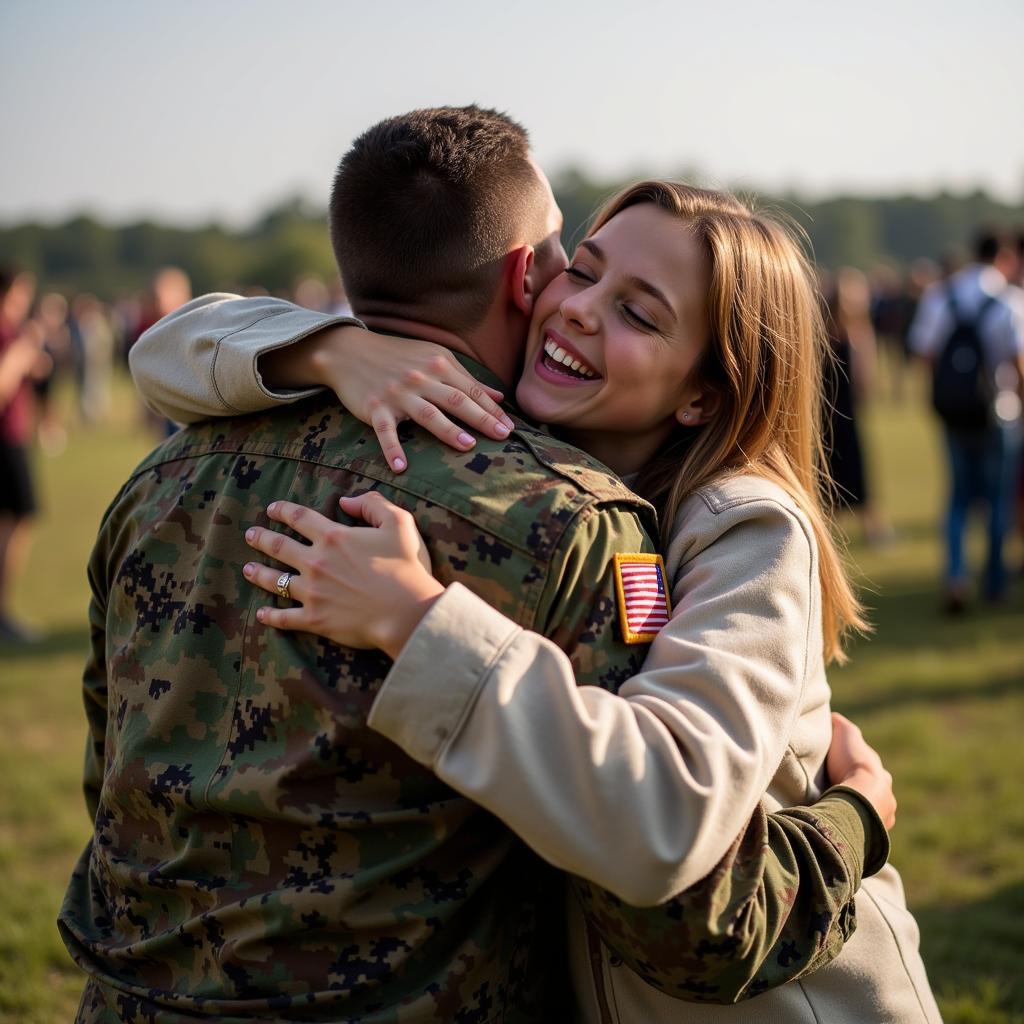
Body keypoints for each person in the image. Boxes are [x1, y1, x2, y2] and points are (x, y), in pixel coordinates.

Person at [63, 108, 891, 1024]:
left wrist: (854, 816)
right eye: (584, 268)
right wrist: (332, 346)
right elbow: (170, 346)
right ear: (527, 274)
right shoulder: (567, 515)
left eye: (638, 311)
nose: (577, 304)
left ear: (706, 390)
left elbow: (673, 837)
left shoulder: (735, 528)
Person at [908, 228, 1024, 612]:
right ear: (1003, 256)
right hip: (1000, 412)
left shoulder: (942, 295)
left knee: (958, 497)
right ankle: (994, 581)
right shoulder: (1009, 300)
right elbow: (1018, 363)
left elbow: (924, 353)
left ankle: (956, 576)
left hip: (955, 413)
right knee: (996, 499)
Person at [0, 268, 46, 643]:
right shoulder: (6, 331)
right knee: (17, 521)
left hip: (14, 437)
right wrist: (21, 353)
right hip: (5, 441)